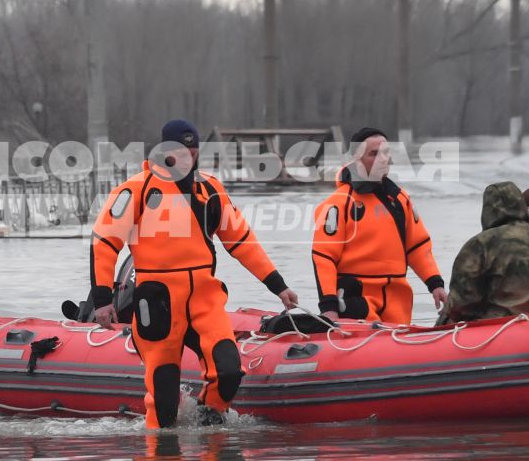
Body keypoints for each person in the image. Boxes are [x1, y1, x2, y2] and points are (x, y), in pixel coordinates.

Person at [89, 119, 299, 429]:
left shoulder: (210, 189)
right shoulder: (137, 189)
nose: (187, 157)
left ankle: (208, 427)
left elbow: (241, 243)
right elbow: (104, 244)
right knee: (163, 401)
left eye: (192, 151)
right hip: (158, 303)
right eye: (180, 151)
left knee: (228, 372)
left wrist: (278, 286)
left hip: (204, 299)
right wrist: (103, 299)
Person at [310, 127, 446, 324]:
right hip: (356, 300)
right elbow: (323, 258)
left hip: (397, 300)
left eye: (386, 152)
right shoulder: (339, 204)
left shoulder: (400, 199)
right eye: (374, 154)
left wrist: (435, 284)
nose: (383, 159)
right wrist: (328, 307)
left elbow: (417, 247)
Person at [437, 181, 529, 324]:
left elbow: (461, 304)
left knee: (448, 319)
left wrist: (443, 318)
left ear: (487, 210)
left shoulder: (480, 244)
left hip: (502, 326)